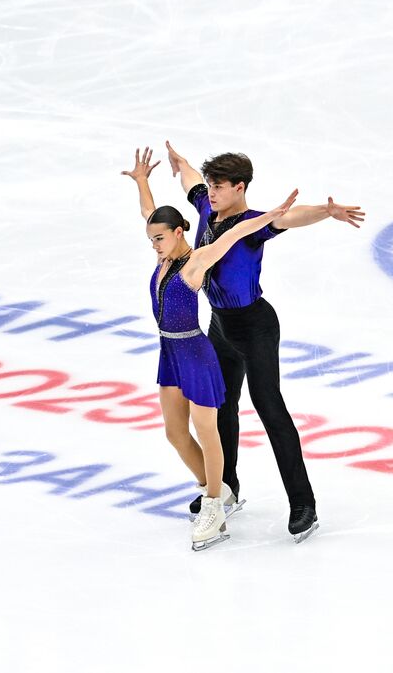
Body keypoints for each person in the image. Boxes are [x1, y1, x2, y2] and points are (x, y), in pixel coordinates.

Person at [165, 141, 364, 544]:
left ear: (239, 187)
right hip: (219, 324)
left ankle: (302, 503)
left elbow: (291, 216)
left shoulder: (254, 224)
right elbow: (190, 183)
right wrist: (182, 163)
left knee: (269, 408)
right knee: (220, 406)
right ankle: (227, 487)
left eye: (219, 186)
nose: (212, 191)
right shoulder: (207, 207)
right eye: (210, 185)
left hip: (255, 327)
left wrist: (326, 211)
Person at [122, 147, 298, 550]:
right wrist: (142, 181)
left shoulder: (196, 262)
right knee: (174, 433)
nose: (154, 246)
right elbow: (150, 213)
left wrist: (269, 217)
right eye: (152, 239)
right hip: (169, 353)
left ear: (179, 233)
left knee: (208, 429)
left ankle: (215, 504)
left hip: (198, 355)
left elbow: (236, 233)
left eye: (159, 238)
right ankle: (215, 490)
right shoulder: (164, 252)